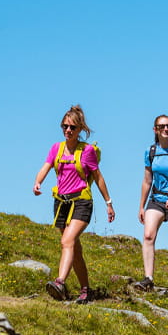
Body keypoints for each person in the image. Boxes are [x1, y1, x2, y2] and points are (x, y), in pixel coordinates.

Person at [32, 105, 115, 303]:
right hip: (61, 203)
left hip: (82, 202)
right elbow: (45, 167)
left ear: (80, 130)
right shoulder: (56, 148)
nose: (68, 130)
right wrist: (38, 182)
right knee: (74, 249)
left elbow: (98, 177)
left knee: (66, 242)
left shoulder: (86, 151)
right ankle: (86, 289)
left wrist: (109, 203)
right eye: (65, 126)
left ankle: (60, 282)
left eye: (72, 127)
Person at [134, 114, 168, 300]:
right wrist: (141, 206)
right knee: (148, 235)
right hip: (156, 198)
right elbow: (147, 180)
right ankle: (148, 278)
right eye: (162, 126)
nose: (166, 129)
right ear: (155, 130)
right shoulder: (150, 151)